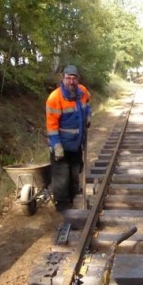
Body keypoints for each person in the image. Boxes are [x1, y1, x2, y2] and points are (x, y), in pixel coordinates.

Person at [46, 65, 92, 212]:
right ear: (63, 78)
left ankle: (73, 198)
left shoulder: (82, 91)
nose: (71, 81)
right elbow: (51, 125)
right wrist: (56, 146)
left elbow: (88, 103)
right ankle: (62, 205)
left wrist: (88, 115)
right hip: (61, 145)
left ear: (78, 79)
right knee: (62, 176)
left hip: (77, 143)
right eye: (68, 78)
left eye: (74, 78)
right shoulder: (54, 98)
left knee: (74, 172)